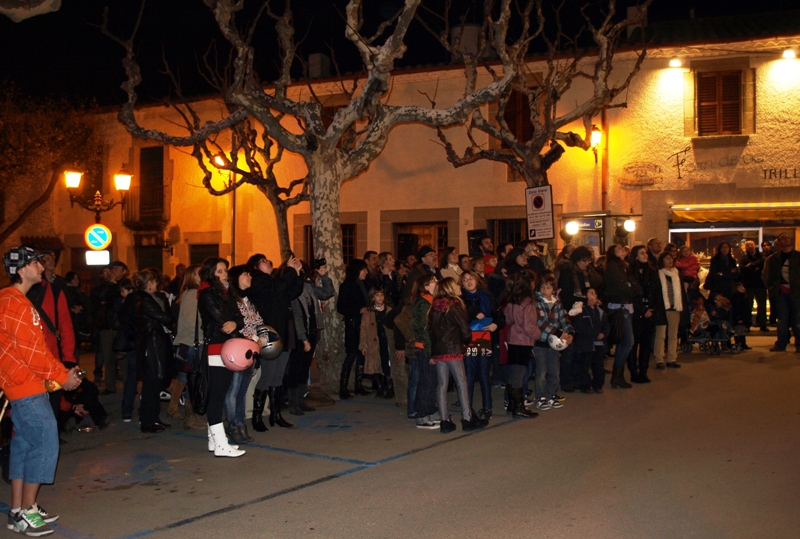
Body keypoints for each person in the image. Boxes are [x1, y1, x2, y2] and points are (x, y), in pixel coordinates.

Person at [0, 246, 82, 536]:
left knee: (23, 447)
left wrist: (59, 374)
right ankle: (28, 509)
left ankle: (17, 510)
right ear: (21, 270)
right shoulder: (16, 304)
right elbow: (33, 352)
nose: (41, 266)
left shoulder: (12, 301)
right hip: (27, 387)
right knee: (46, 444)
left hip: (23, 385)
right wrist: (63, 377)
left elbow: (38, 350)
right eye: (34, 262)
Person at [246, 253, 304, 430]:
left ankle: (276, 414)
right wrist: (288, 270)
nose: (269, 263)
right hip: (269, 334)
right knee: (268, 375)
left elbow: (292, 292)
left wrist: (298, 274)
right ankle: (257, 416)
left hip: (284, 332)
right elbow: (279, 287)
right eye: (264, 261)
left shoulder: (272, 282)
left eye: (269, 261)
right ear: (255, 267)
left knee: (279, 375)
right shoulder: (259, 281)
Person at [198, 257, 245, 457]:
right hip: (217, 347)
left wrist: (235, 324)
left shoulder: (226, 293)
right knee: (217, 394)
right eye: (219, 271)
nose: (224, 274)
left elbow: (238, 318)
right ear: (211, 273)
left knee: (221, 391)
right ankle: (220, 443)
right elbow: (221, 320)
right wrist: (233, 323)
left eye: (225, 270)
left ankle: (213, 440)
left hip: (227, 344)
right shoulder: (208, 293)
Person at [428, 277, 487, 433]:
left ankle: (444, 420)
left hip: (439, 351)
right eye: (455, 285)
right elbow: (465, 329)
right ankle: (467, 418)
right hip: (453, 349)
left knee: (442, 385)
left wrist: (433, 352)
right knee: (461, 383)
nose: (459, 286)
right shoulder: (454, 305)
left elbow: (430, 332)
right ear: (449, 288)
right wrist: (465, 342)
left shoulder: (434, 307)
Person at [225, 265, 267, 444]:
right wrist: (249, 337)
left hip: (250, 351)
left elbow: (258, 321)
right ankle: (233, 425)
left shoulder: (248, 300)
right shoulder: (229, 300)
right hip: (236, 351)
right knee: (233, 390)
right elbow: (232, 326)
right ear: (236, 278)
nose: (249, 276)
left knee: (242, 391)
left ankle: (241, 424)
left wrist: (263, 337)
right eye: (245, 273)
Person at [288, 261, 334, 415]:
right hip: (300, 334)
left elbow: (327, 293)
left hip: (312, 331)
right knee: (296, 368)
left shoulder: (308, 286)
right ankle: (293, 402)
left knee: (304, 367)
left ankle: (301, 400)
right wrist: (303, 338)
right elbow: (296, 316)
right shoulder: (293, 289)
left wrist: (324, 276)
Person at [460, 270, 505, 420]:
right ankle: (468, 408)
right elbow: (458, 320)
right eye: (465, 280)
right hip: (468, 340)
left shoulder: (486, 296)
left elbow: (500, 316)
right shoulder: (460, 300)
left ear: (477, 280)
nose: (469, 281)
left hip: (484, 339)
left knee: (484, 375)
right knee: (469, 375)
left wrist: (495, 325)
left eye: (471, 278)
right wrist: (473, 316)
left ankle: (487, 407)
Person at [133, 270, 174, 433]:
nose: (157, 284)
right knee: (152, 386)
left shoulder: (143, 299)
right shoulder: (146, 300)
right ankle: (148, 420)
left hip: (153, 345)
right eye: (155, 281)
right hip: (152, 347)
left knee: (154, 385)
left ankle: (152, 419)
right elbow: (166, 318)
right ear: (149, 282)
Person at [169, 265, 207, 430]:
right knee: (193, 380)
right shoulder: (193, 295)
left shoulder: (189, 294)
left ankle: (174, 408)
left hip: (190, 341)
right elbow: (193, 323)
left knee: (184, 378)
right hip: (193, 342)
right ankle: (190, 417)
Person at [533, 271, 574, 410]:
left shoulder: (557, 303)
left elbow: (565, 320)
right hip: (540, 343)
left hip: (554, 345)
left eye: (548, 287)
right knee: (541, 372)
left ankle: (551, 396)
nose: (545, 290)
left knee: (554, 372)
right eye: (542, 287)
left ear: (554, 289)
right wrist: (558, 332)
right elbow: (541, 322)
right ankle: (540, 397)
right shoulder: (536, 303)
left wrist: (570, 333)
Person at [502, 272, 540, 418]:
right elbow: (529, 327)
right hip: (523, 341)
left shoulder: (512, 301)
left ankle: (512, 404)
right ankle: (518, 407)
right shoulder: (528, 303)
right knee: (519, 373)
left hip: (513, 339)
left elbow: (508, 319)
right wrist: (538, 335)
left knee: (513, 373)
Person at [604, 244, 639, 389]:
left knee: (625, 341)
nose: (622, 248)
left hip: (626, 306)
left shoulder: (625, 266)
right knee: (627, 341)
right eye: (618, 247)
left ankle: (618, 375)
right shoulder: (613, 265)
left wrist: (630, 286)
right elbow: (621, 286)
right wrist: (629, 286)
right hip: (620, 307)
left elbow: (636, 287)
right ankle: (617, 375)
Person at [337, 259, 372, 399]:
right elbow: (341, 307)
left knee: (362, 354)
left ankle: (358, 385)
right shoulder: (347, 285)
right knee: (351, 354)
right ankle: (343, 387)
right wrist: (358, 310)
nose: (366, 272)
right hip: (353, 324)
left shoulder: (365, 284)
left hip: (364, 324)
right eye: (363, 269)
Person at [628, 245, 661, 384]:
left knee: (646, 344)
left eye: (646, 253)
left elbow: (657, 292)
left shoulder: (653, 272)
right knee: (633, 343)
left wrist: (652, 309)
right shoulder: (630, 272)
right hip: (636, 312)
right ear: (635, 256)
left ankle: (644, 371)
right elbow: (631, 295)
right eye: (642, 253)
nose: (645, 255)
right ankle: (633, 372)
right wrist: (642, 309)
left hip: (650, 311)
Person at [762, 233, 800, 352]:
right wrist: (771, 287)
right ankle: (781, 343)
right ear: (778, 242)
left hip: (796, 292)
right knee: (782, 320)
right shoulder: (773, 258)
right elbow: (766, 275)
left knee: (797, 319)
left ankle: (799, 344)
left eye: (787, 238)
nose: (785, 240)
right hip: (781, 292)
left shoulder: (797, 257)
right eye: (782, 238)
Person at [411, 274, 438, 429]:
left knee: (432, 381)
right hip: (425, 348)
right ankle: (422, 415)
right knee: (426, 381)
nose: (436, 283)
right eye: (433, 281)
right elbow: (424, 330)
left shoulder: (430, 301)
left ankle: (431, 410)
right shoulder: (423, 303)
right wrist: (431, 351)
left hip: (429, 346)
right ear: (426, 286)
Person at [571, 288, 609, 393]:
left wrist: (604, 333)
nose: (593, 295)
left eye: (594, 293)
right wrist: (594, 334)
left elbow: (606, 325)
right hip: (586, 343)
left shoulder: (600, 312)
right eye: (590, 293)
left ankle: (598, 385)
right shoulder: (581, 310)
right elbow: (580, 326)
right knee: (585, 365)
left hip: (599, 344)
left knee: (599, 366)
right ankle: (585, 385)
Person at [359, 287, 394, 398]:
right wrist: (363, 344)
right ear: (373, 298)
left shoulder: (389, 310)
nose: (380, 297)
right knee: (375, 365)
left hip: (386, 340)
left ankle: (389, 387)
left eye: (382, 295)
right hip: (373, 341)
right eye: (377, 295)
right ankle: (379, 387)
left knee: (386, 364)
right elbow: (363, 329)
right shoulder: (368, 312)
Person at [653, 252, 684, 370]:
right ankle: (659, 359)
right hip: (662, 308)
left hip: (675, 308)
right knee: (660, 334)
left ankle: (671, 358)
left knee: (673, 335)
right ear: (662, 260)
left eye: (671, 258)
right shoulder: (658, 274)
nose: (670, 260)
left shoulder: (677, 274)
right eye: (667, 258)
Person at [739, 241, 767, 333]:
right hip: (749, 285)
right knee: (748, 306)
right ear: (745, 248)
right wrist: (756, 268)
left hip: (760, 284)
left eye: (752, 245)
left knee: (762, 305)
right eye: (748, 246)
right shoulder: (743, 258)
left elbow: (764, 263)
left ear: (755, 246)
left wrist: (751, 265)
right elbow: (742, 269)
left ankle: (763, 325)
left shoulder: (761, 255)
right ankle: (747, 324)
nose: (750, 247)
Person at [731, 282, 752, 350]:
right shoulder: (736, 297)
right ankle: (738, 344)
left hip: (743, 316)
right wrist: (738, 318)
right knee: (738, 331)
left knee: (742, 331)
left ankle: (743, 344)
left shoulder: (744, 296)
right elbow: (737, 309)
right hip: (739, 317)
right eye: (740, 288)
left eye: (743, 287)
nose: (742, 289)